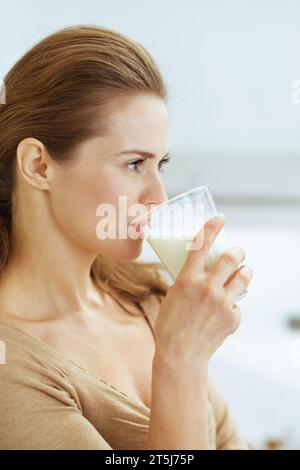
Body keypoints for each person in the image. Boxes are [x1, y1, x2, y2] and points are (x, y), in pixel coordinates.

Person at [0, 25, 253, 450]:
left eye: (161, 165)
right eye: (135, 164)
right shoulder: (12, 365)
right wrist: (181, 362)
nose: (159, 197)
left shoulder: (148, 300)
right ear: (39, 166)